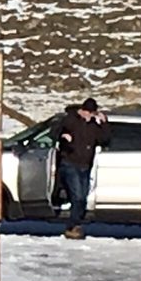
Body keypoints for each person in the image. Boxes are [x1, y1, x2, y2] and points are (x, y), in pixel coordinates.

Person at [55, 97, 111, 239]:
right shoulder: (70, 120)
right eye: (88, 113)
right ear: (82, 111)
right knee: (78, 196)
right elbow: (55, 133)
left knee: (83, 198)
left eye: (92, 113)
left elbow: (104, 140)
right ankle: (73, 225)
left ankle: (75, 223)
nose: (89, 116)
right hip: (70, 163)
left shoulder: (93, 125)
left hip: (85, 165)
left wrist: (104, 124)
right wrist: (64, 137)